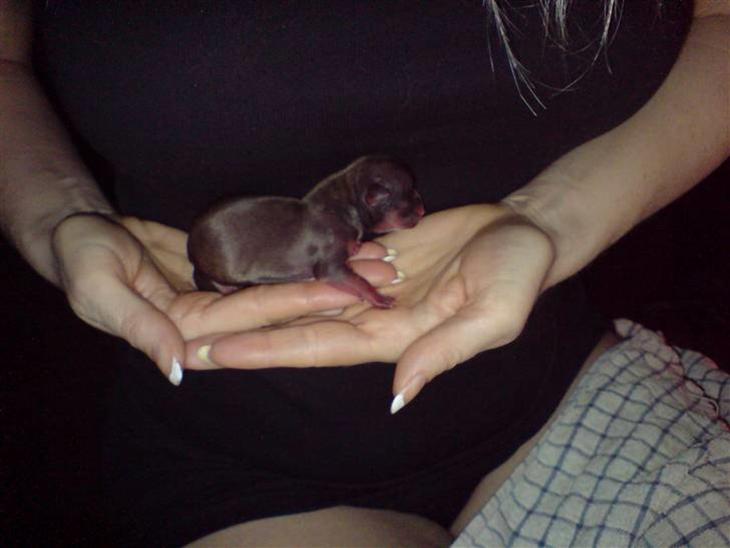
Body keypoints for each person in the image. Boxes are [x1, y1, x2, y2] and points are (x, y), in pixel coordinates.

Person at [1, 0, 727, 545]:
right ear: (370, 204)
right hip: (232, 450)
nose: (414, 215)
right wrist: (63, 218)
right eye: (401, 209)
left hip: (556, 390)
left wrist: (546, 221)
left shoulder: (345, 219)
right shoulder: (329, 233)